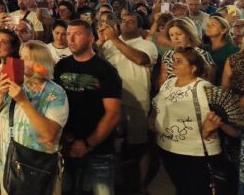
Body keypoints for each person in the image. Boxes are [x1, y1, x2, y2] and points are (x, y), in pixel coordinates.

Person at [0, 41, 68, 195]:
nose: (21, 61)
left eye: (27, 58)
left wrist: (23, 101)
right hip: (10, 169)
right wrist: (0, 93)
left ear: (40, 63)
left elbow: (49, 134)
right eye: (21, 56)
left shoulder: (56, 93)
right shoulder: (14, 85)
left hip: (37, 172)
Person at [152, 46, 239, 195]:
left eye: (179, 61)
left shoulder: (204, 89)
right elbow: (156, 106)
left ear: (193, 68)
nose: (173, 64)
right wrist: (152, 119)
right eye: (174, 60)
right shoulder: (168, 83)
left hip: (196, 153)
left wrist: (215, 124)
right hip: (168, 149)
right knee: (182, 188)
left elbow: (233, 128)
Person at [54, 19, 121, 195]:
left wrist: (88, 143)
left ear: (91, 38)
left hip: (98, 147)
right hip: (66, 145)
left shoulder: (105, 70)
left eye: (77, 34)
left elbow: (113, 113)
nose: (70, 39)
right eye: (68, 34)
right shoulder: (61, 66)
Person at [98, 11, 157, 194]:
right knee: (113, 145)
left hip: (136, 102)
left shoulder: (147, 45)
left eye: (131, 21)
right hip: (111, 101)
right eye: (123, 20)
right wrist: (100, 42)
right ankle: (117, 182)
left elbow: (140, 59)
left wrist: (114, 40)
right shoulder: (108, 44)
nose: (126, 23)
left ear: (140, 27)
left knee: (138, 145)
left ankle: (140, 186)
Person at [158, 17, 215, 86]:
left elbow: (209, 81)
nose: (175, 38)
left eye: (179, 34)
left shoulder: (202, 54)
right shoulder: (168, 54)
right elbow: (162, 80)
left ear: (189, 34)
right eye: (171, 35)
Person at [205, 15, 239, 84]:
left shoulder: (234, 50)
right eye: (207, 25)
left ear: (223, 30)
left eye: (213, 25)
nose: (208, 27)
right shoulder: (204, 48)